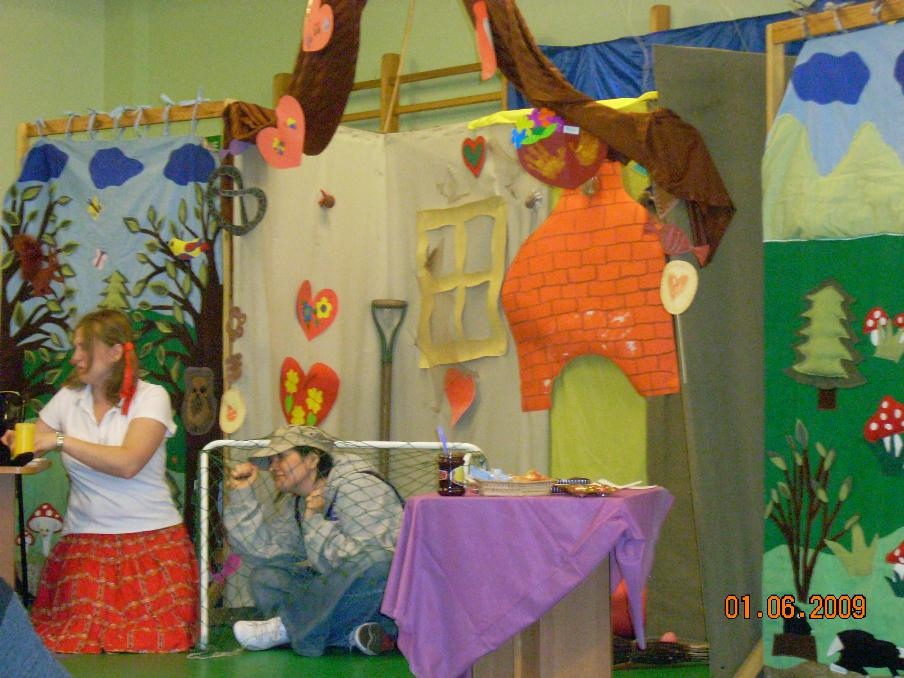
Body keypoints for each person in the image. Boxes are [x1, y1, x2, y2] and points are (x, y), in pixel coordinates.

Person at [0, 308, 198, 653]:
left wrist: (60, 441)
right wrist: (16, 443)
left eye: (83, 347)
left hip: (151, 543)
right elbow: (33, 443)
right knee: (76, 639)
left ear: (115, 352)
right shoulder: (68, 399)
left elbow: (128, 463)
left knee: (153, 640)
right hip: (85, 545)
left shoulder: (151, 397)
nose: (74, 357)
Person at [225, 425, 403, 656]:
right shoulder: (298, 502)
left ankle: (290, 627)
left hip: (382, 596)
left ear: (312, 459)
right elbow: (266, 551)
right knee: (266, 577)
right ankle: (350, 635)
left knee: (377, 562)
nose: (273, 467)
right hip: (338, 594)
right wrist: (242, 496)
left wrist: (315, 521)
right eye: (271, 460)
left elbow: (373, 561)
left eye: (281, 457)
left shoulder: (359, 486)